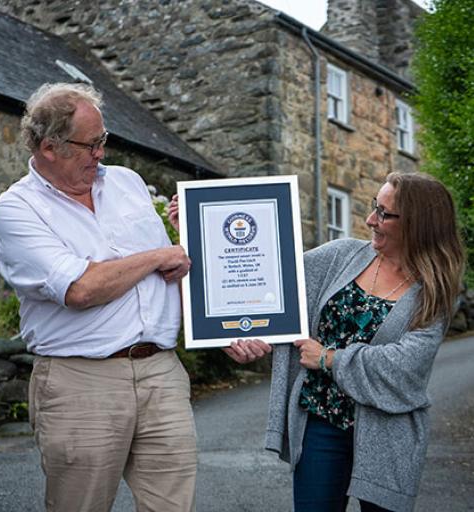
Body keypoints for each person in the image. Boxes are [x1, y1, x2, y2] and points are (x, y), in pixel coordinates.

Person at [172, 172, 464, 511]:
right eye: (374, 207)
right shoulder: (341, 256)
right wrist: (196, 231)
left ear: (418, 224)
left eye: (384, 214)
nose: (371, 220)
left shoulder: (434, 293)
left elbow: (404, 367)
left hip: (388, 435)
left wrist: (329, 359)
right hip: (320, 423)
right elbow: (266, 276)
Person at [0, 82, 197, 512]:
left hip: (161, 371)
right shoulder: (17, 209)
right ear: (50, 147)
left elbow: (173, 272)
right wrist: (158, 254)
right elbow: (81, 289)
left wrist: (229, 323)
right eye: (90, 144)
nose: (101, 153)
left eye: (103, 140)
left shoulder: (128, 182)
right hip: (81, 382)